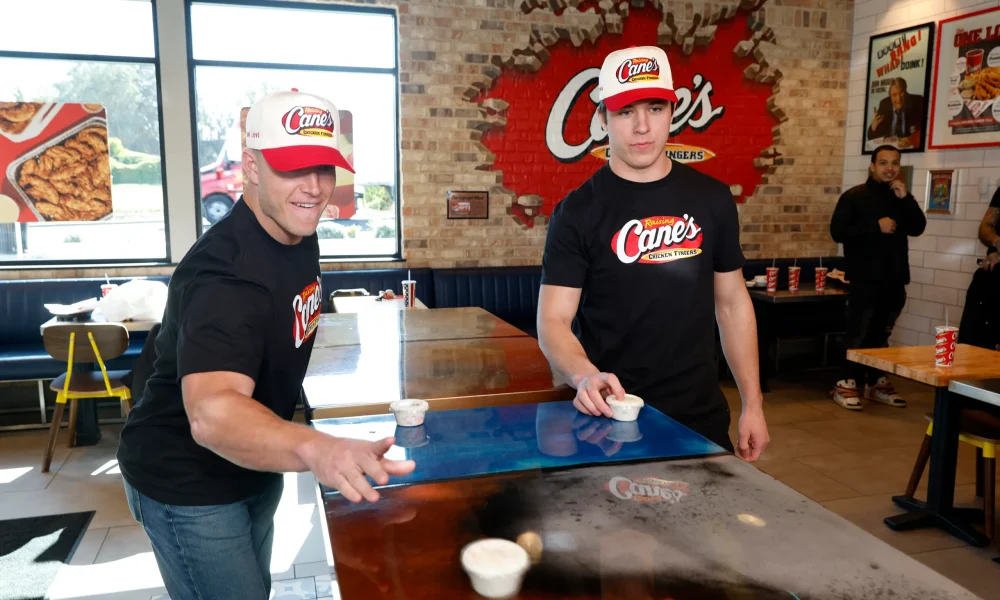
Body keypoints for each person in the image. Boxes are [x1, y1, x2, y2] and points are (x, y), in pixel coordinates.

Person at [116, 90, 415, 600]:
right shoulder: (224, 275)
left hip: (254, 461)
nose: (315, 188)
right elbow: (211, 413)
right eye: (294, 168)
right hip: (189, 483)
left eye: (324, 168)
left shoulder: (298, 230)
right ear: (251, 166)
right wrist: (315, 447)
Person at [537, 46, 769, 461]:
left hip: (699, 417)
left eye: (655, 107)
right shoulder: (576, 211)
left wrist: (753, 403)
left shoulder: (712, 198)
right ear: (603, 119)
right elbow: (553, 319)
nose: (642, 126)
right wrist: (585, 375)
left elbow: (732, 304)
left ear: (672, 112)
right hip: (609, 419)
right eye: (626, 111)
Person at [830, 145, 926, 410]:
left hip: (895, 278)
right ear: (872, 166)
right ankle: (845, 383)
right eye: (884, 163)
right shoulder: (854, 196)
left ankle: (874, 382)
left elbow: (918, 227)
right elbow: (838, 232)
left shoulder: (901, 197)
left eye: (895, 163)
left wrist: (906, 198)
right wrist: (875, 226)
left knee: (882, 334)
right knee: (858, 333)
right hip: (864, 278)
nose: (890, 168)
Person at [867, 78, 925, 143]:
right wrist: (874, 126)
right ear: (890, 97)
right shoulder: (884, 104)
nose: (898, 98)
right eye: (894, 95)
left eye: (901, 93)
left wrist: (913, 138)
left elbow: (924, 130)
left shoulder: (917, 101)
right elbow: (870, 137)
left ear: (905, 91)